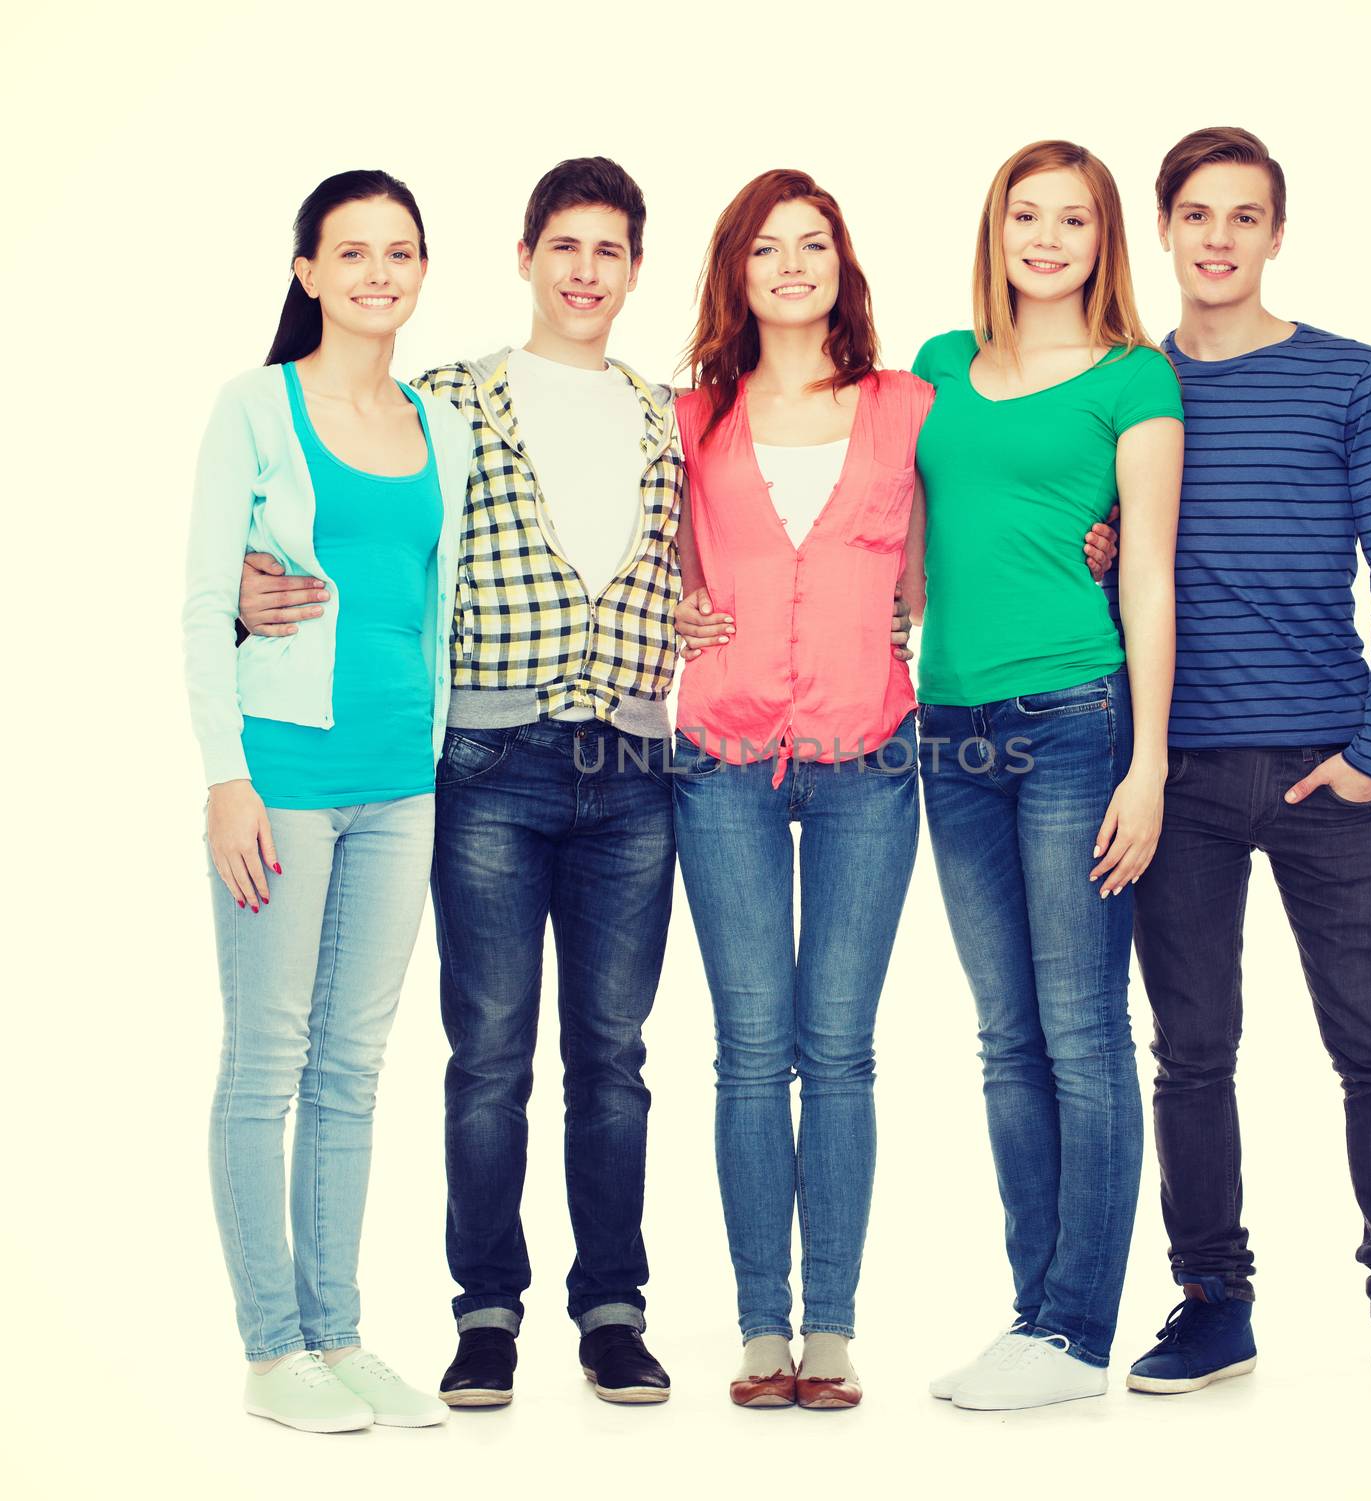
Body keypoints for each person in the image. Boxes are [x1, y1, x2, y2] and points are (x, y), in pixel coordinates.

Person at [239, 158, 684, 1407]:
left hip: (635, 767)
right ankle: (485, 1311)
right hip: (486, 765)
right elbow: (336, 520)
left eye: (610, 249)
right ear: (528, 259)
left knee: (613, 1053)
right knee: (487, 1051)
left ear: (636, 269)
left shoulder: (669, 416)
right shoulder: (446, 400)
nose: (586, 270)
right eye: (565, 246)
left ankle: (611, 1308)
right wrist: (238, 589)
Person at [1119, 126, 1371, 1410]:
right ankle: (1214, 1303)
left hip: (1331, 776)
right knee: (1190, 1051)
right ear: (1161, 228)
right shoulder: (1126, 389)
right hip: (1178, 778)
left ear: (1277, 235)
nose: (1217, 238)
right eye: (1195, 214)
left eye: (1244, 216)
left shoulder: (1352, 380)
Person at [183, 170, 472, 1433]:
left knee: (353, 1067)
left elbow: (435, 606)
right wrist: (224, 776)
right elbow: (206, 600)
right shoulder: (254, 405)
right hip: (285, 779)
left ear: (421, 271)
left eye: (398, 252)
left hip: (402, 781)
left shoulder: (434, 420)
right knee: (267, 1061)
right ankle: (270, 1349)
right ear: (305, 271)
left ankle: (339, 1333)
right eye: (349, 252)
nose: (376, 272)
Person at [910, 139, 1183, 1412]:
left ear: (1101, 238)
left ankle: (1076, 1330)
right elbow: (898, 541)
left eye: (1072, 218)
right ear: (996, 228)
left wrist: (1149, 764)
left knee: (1079, 1031)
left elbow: (1145, 572)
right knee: (1005, 1037)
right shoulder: (937, 368)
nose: (1046, 237)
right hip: (946, 732)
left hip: (1076, 717)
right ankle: (1034, 1316)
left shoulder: (1135, 380)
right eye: (1025, 214)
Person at [669, 170, 928, 1410]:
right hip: (718, 760)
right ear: (735, 270)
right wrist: (669, 606)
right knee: (745, 1049)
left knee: (839, 1049)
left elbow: (959, 547)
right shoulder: (688, 414)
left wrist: (1090, 544)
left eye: (810, 243)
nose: (789, 263)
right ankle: (758, 1328)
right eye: (764, 246)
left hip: (868, 761)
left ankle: (829, 1327)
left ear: (841, 262)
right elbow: (645, 556)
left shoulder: (906, 405)